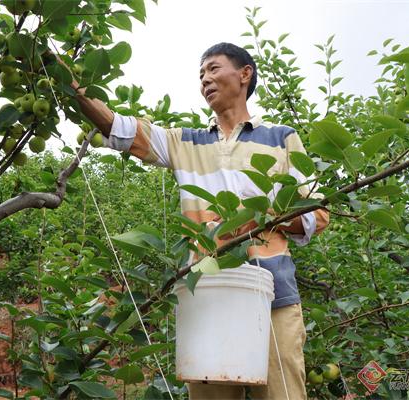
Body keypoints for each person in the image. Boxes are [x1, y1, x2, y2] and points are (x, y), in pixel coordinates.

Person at [67, 42, 329, 399]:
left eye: (213, 69)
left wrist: (260, 217)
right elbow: (118, 128)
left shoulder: (281, 139)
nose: (205, 78)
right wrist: (72, 86)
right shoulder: (184, 143)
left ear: (244, 74)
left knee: (284, 393)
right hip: (208, 293)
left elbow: (317, 213)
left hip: (273, 293)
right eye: (201, 74)